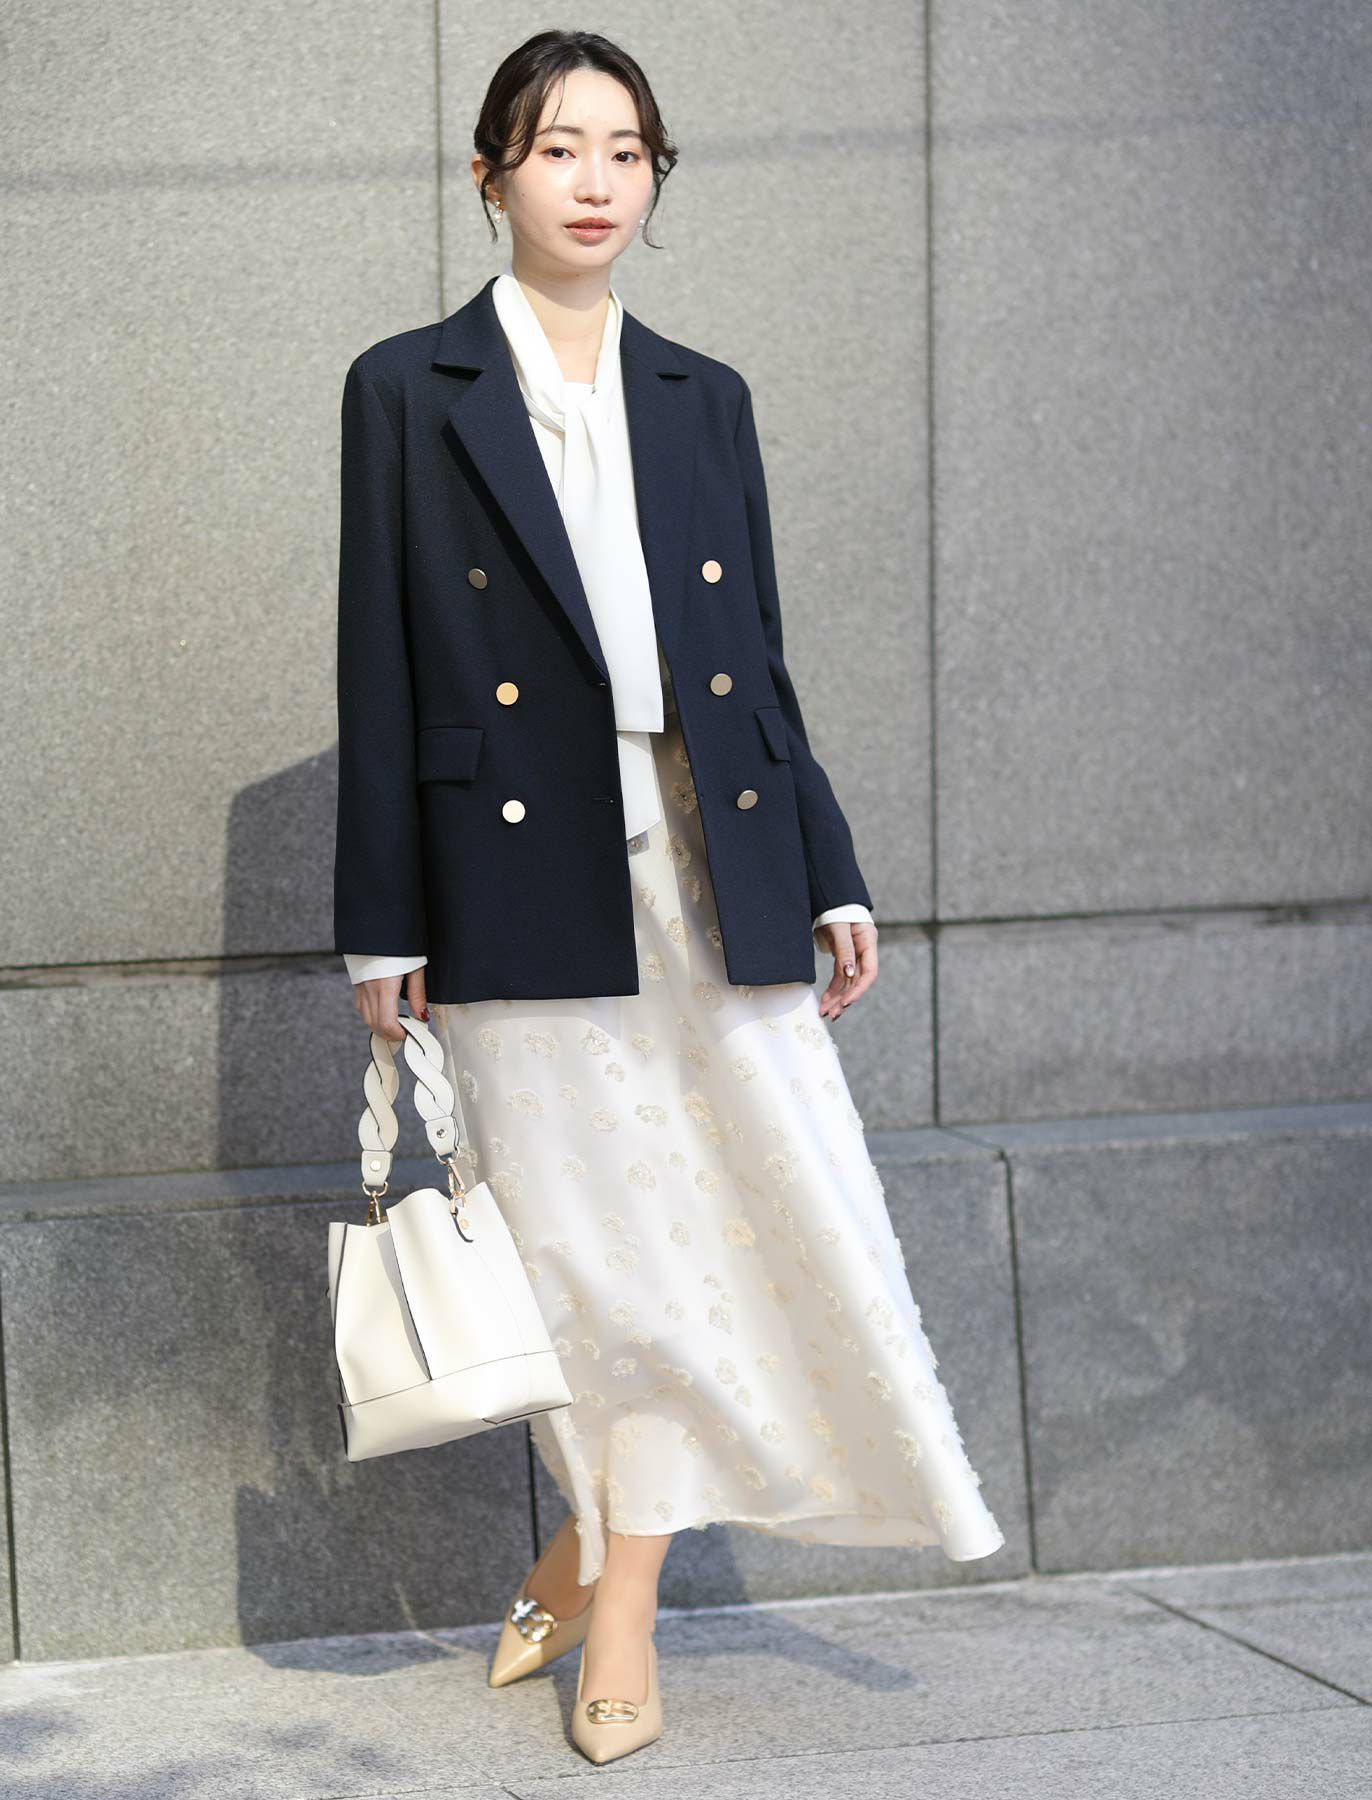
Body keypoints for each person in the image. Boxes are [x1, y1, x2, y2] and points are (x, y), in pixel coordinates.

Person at [335, 28, 1004, 1766]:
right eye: (559, 148)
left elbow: (755, 656)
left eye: (626, 150)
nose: (597, 181)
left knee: (760, 1216)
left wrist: (828, 865)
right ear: (489, 175)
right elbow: (379, 666)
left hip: (712, 850)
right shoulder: (407, 389)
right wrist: (383, 922)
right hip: (513, 870)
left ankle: (603, 1572)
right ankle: (615, 1577)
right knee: (589, 1249)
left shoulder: (705, 395)